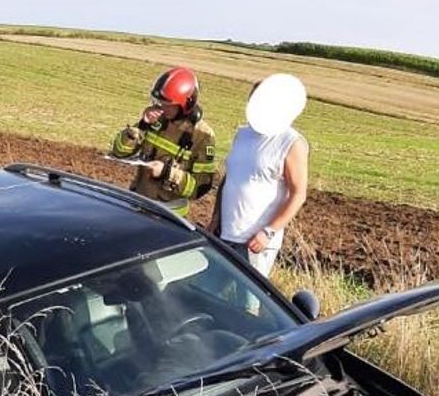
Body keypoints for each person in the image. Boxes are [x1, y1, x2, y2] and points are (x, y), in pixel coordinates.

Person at [210, 73, 309, 276]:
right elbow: (229, 179)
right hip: (225, 234)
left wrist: (268, 232)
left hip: (255, 242)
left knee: (250, 304)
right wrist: (216, 218)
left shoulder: (291, 142)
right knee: (210, 295)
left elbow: (298, 193)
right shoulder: (242, 134)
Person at [108, 66, 217, 217]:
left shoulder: (203, 136)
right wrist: (142, 125)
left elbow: (200, 188)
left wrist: (167, 173)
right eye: (159, 102)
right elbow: (119, 151)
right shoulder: (156, 119)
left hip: (168, 217)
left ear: (186, 105)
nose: (161, 108)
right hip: (137, 206)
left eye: (167, 105)